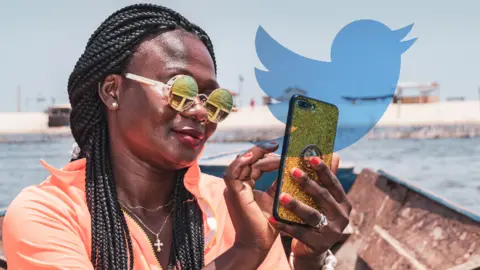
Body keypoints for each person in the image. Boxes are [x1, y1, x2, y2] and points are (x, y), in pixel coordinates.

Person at [2, 3, 351, 270]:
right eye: (179, 90)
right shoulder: (46, 213)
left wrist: (308, 259)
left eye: (216, 101)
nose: (201, 112)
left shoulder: (230, 206)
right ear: (113, 91)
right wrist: (244, 253)